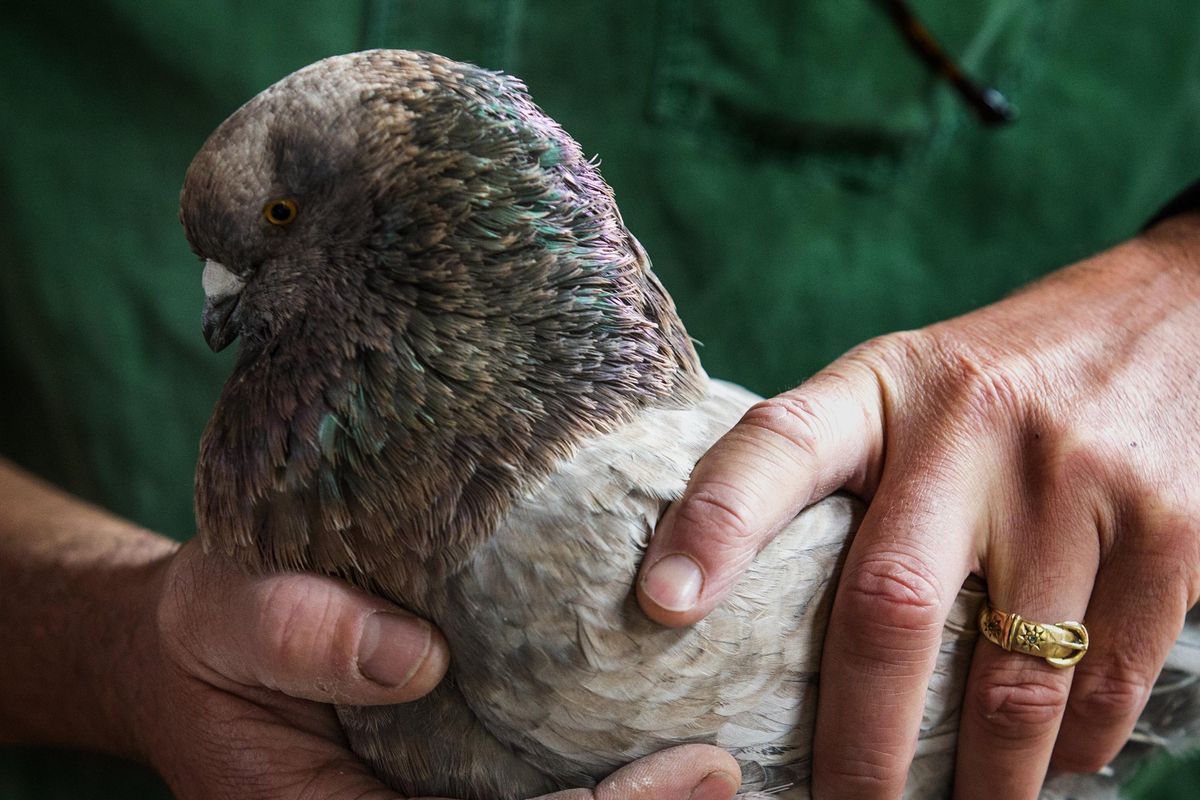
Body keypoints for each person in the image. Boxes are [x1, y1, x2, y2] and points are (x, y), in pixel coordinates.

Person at [1, 2, 1197, 798]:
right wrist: (110, 643)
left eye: (268, 232)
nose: (220, 303)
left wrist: (1182, 288)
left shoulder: (565, 540)